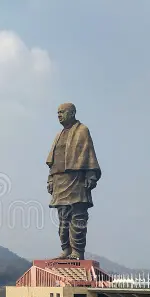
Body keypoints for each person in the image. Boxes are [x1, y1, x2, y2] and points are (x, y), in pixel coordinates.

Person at [45, 102, 102, 260]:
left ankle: (77, 251)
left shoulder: (82, 130)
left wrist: (90, 175)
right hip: (60, 181)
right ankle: (66, 249)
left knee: (78, 218)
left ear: (72, 113)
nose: (59, 115)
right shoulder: (58, 135)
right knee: (63, 220)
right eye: (57, 113)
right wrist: (50, 180)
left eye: (62, 112)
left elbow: (88, 153)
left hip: (76, 181)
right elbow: (53, 162)